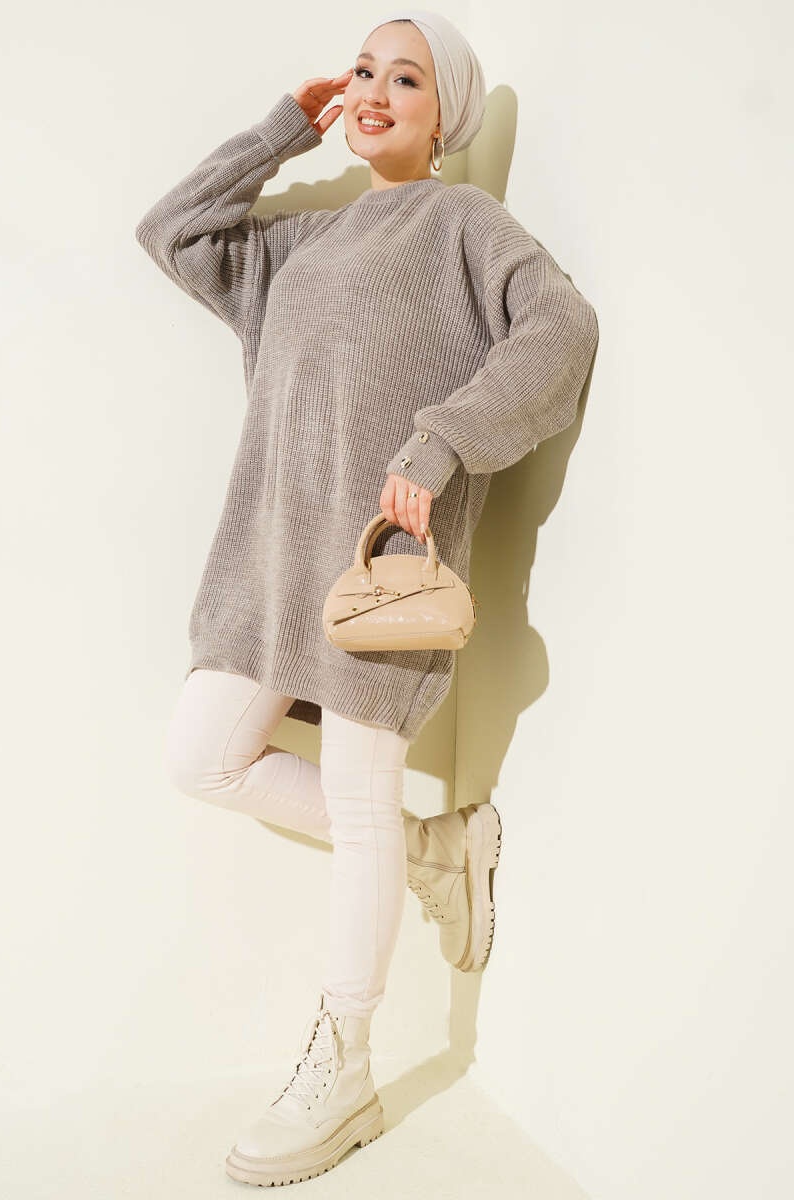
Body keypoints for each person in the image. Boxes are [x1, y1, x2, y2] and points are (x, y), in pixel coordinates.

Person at [135, 9, 598, 1187]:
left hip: (375, 575)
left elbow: (559, 331)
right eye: (362, 72)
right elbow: (173, 230)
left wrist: (440, 443)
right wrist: (282, 130)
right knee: (200, 759)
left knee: (354, 799)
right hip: (263, 564)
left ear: (446, 115)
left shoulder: (463, 225)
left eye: (406, 78)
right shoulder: (301, 242)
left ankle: (343, 1061)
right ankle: (438, 850)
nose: (375, 91)